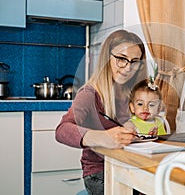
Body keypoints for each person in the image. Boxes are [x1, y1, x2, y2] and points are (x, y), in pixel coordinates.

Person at [55, 29, 154, 195]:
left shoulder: (135, 94)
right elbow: (62, 130)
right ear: (107, 58)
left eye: (134, 61)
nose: (128, 67)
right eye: (121, 59)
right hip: (99, 173)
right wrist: (103, 137)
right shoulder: (90, 94)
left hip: (130, 168)